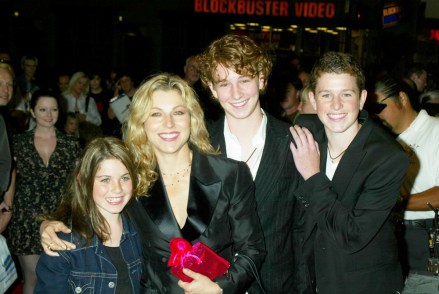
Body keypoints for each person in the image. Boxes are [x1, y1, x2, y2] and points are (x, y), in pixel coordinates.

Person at [40, 73, 265, 293]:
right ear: (142, 122)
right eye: (156, 114)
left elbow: (253, 249)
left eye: (178, 112)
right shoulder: (131, 179)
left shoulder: (230, 174)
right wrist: (50, 226)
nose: (169, 124)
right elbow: (92, 202)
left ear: (192, 118)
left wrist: (220, 287)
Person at [289, 52, 409, 294]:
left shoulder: (388, 157)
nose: (336, 105)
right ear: (313, 98)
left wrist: (313, 176)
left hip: (361, 285)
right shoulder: (305, 133)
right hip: (308, 282)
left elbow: (352, 235)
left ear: (362, 98)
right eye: (326, 95)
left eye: (346, 94)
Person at [198, 34, 301, 293]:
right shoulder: (198, 148)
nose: (236, 93)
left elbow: (305, 229)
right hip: (211, 284)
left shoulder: (295, 143)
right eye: (224, 83)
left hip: (276, 285)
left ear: (262, 79)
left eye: (244, 80)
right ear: (212, 88)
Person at [35, 137, 142, 293]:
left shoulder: (141, 230)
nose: (117, 189)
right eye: (105, 180)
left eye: (125, 178)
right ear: (83, 181)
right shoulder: (63, 244)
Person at [8, 88, 81, 294]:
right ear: (31, 112)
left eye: (54, 109)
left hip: (62, 218)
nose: (49, 115)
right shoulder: (18, 143)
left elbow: (78, 182)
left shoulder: (71, 143)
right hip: (25, 218)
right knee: (32, 277)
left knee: (60, 277)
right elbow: (9, 178)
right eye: (42, 109)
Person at [373, 76, 439, 277]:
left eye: (380, 107)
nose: (377, 115)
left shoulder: (435, 131)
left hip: (425, 237)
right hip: (390, 236)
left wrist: (395, 203)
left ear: (402, 99)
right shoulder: (382, 141)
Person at [0, 62, 16, 232]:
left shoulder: (3, 120)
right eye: (0, 84)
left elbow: (9, 163)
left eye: (9, 84)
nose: (6, 90)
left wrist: (7, 207)